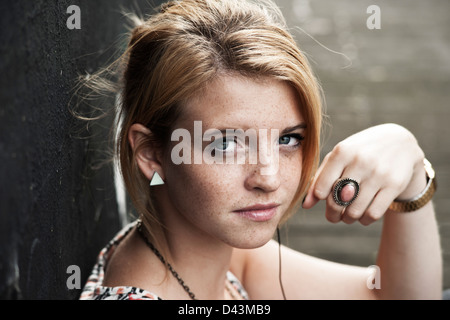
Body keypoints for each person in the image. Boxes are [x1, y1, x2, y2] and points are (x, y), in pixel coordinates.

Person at [79, 0, 442, 300]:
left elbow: (389, 296)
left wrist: (411, 172)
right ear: (151, 154)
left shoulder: (220, 254)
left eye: (287, 139)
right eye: (225, 144)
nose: (268, 178)